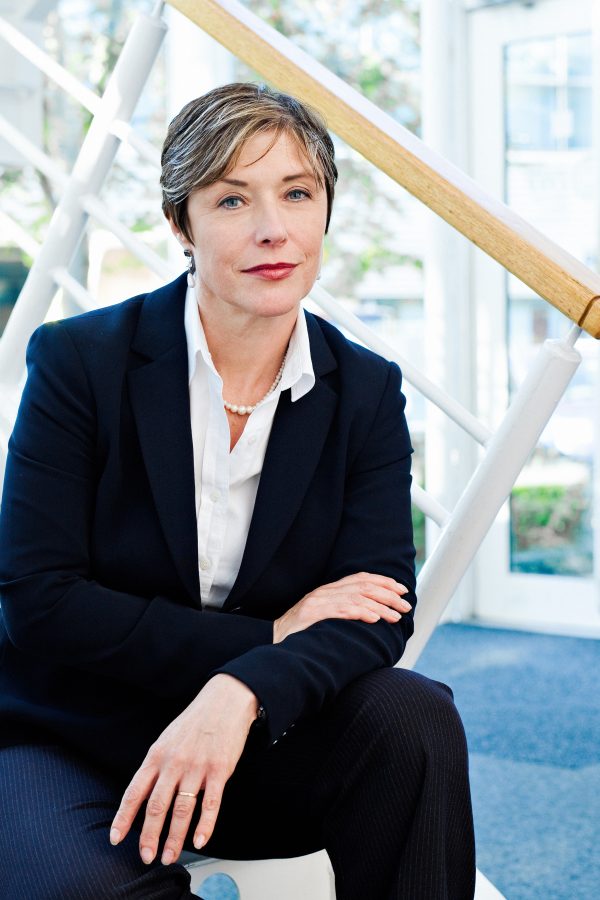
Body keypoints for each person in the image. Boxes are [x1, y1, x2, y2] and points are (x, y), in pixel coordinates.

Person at [0, 82, 475, 899]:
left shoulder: (362, 389)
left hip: (255, 736)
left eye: (298, 193)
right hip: (72, 736)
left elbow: (377, 610)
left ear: (326, 210)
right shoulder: (80, 361)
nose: (273, 229)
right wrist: (270, 634)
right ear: (180, 223)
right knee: (80, 887)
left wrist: (244, 687)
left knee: (414, 718)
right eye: (231, 198)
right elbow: (38, 600)